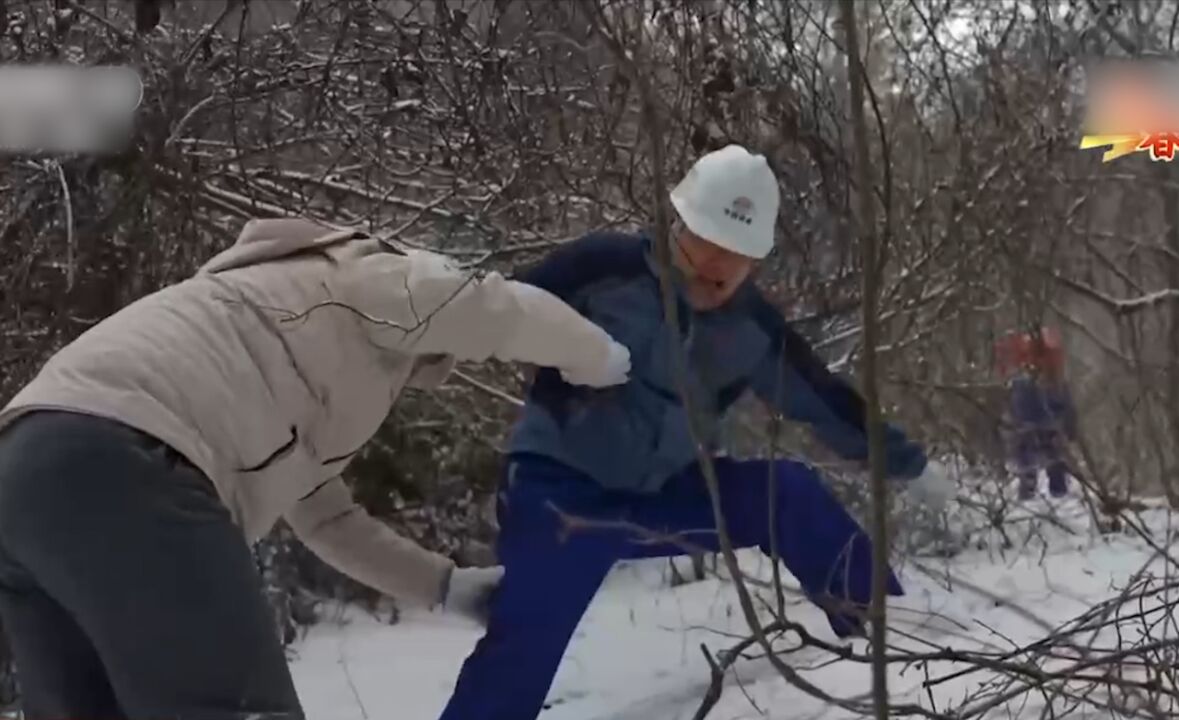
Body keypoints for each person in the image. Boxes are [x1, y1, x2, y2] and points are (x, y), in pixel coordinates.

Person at [0, 217, 633, 720]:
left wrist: (446, 586)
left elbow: (327, 519)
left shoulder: (260, 336)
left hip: (21, 482)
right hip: (122, 462)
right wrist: (599, 357)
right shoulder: (361, 277)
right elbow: (494, 309)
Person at [436, 145, 955, 720]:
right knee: (526, 639)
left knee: (787, 492)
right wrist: (416, 345)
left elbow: (825, 402)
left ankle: (891, 639)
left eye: (734, 256)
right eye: (703, 241)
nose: (714, 265)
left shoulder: (752, 327)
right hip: (561, 491)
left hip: (667, 493)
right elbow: (496, 309)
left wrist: (906, 463)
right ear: (675, 223)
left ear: (755, 261)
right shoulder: (603, 269)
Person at [1004, 329, 1076, 500]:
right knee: (1052, 459)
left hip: (1031, 425)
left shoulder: (1022, 378)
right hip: (1044, 425)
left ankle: (1033, 492)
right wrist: (1069, 426)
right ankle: (1056, 493)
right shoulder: (1052, 375)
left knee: (1032, 460)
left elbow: (1016, 405)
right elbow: (1064, 403)